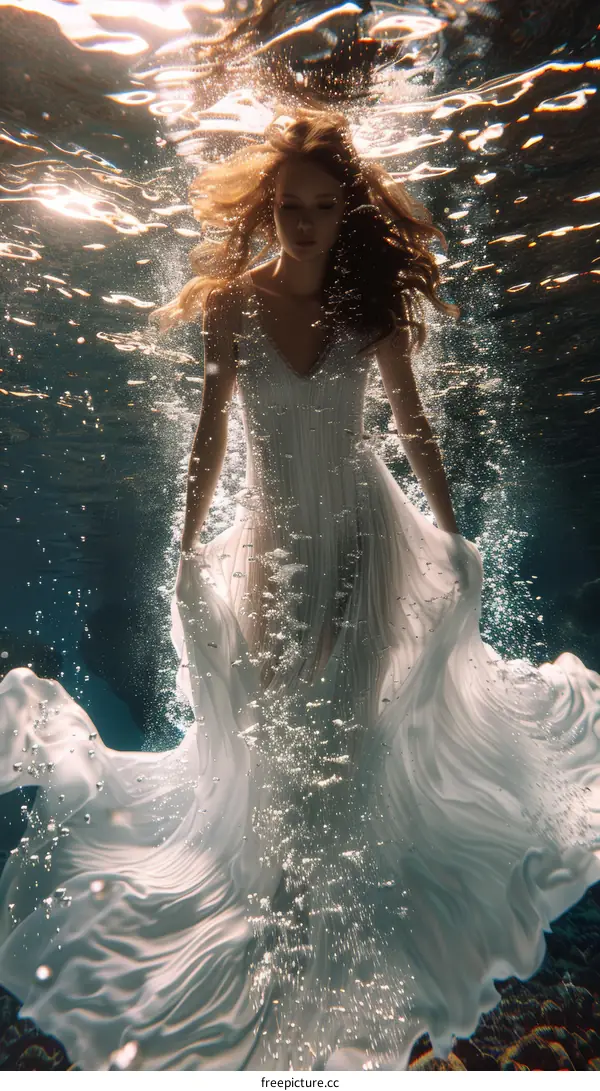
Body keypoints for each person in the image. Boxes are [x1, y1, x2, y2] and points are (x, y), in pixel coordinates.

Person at [0, 108, 599, 1073]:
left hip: (369, 540)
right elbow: (208, 438)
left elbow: (413, 430)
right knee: (282, 743)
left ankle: (360, 952)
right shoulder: (231, 302)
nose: (305, 222)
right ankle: (281, 950)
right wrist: (186, 551)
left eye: (323, 206)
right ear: (268, 208)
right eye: (289, 206)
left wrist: (452, 537)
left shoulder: (372, 306)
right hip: (275, 548)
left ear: (346, 212)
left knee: (353, 737)